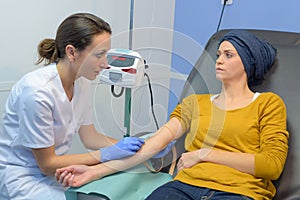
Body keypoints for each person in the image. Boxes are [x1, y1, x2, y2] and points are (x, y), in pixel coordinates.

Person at [56, 30, 289, 200]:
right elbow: (153, 146)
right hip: (185, 187)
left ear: (248, 62)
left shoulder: (268, 104)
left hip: (239, 191)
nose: (218, 60)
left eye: (229, 55)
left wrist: (204, 154)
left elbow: (271, 166)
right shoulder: (194, 104)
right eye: (218, 54)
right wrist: (94, 171)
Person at [0, 13, 146, 200]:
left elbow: (90, 137)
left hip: (57, 173)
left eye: (106, 54)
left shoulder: (81, 81)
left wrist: (130, 146)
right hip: (23, 178)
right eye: (99, 55)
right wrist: (107, 154)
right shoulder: (37, 93)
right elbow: (47, 163)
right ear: (72, 52)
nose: (105, 64)